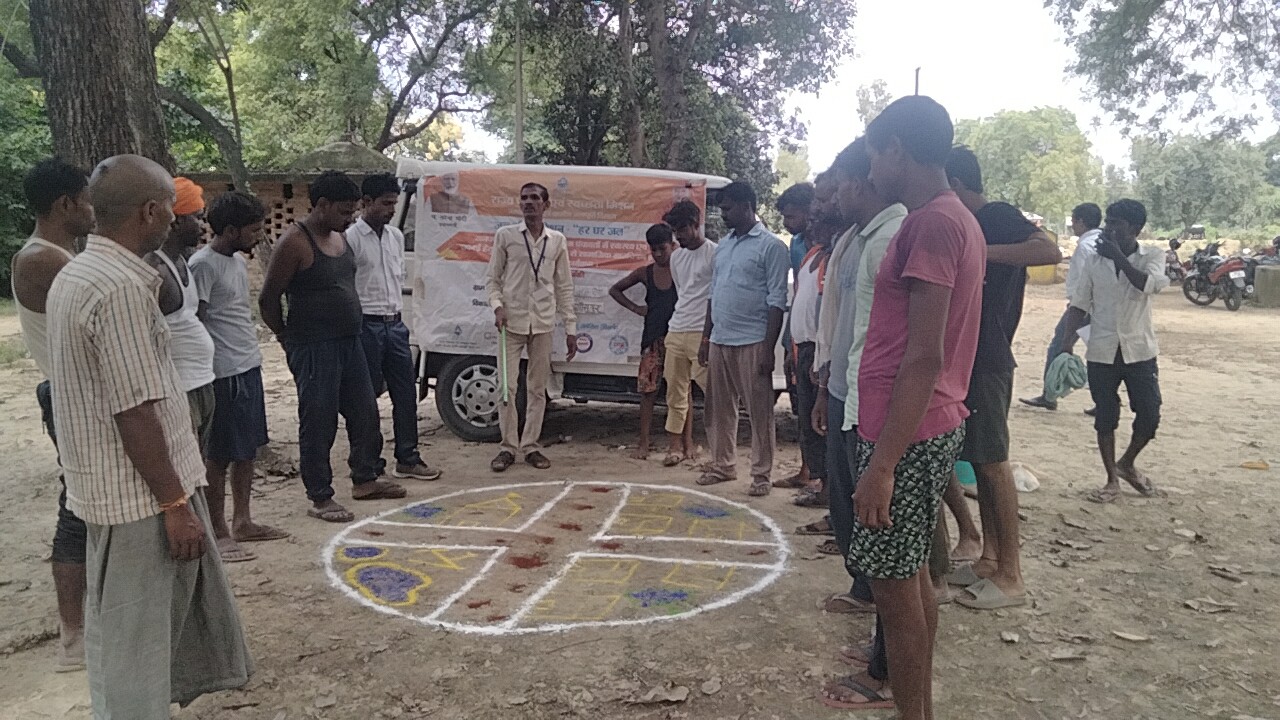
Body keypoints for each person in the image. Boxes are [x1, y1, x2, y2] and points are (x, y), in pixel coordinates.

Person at [46, 154, 251, 716]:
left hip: (116, 491)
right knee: (137, 644)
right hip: (138, 498)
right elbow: (134, 410)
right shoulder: (118, 288)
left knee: (128, 632)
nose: (179, 218)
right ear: (150, 212)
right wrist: (175, 504)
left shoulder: (81, 273)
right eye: (171, 208)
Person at [843, 97, 985, 720]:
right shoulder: (950, 218)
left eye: (874, 154)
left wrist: (882, 466)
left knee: (896, 596)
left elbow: (924, 356)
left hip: (906, 432)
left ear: (896, 149)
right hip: (921, 427)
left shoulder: (931, 223)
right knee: (914, 580)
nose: (872, 168)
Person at [942, 147, 1062, 611]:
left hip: (989, 358)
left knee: (994, 464)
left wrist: (978, 251)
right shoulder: (971, 222)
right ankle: (989, 558)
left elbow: (1047, 249)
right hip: (969, 358)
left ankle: (1011, 574)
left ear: (955, 183)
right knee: (979, 461)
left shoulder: (993, 216)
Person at [260, 170, 405, 523]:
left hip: (350, 341)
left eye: (352, 211)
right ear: (322, 205)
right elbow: (268, 298)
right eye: (344, 211)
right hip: (314, 346)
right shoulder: (295, 242)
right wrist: (286, 338)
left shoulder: (341, 238)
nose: (350, 218)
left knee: (365, 412)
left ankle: (365, 477)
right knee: (319, 420)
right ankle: (320, 496)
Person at [10, 157, 94, 672]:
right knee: (79, 506)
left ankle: (87, 622)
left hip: (75, 394)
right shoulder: (46, 261)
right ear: (66, 204)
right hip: (70, 397)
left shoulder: (59, 255)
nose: (93, 211)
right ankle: (72, 635)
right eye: (87, 201)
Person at [190, 191, 290, 563]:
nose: (258, 235)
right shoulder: (203, 266)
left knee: (247, 449)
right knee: (219, 456)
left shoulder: (234, 261)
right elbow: (197, 321)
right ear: (230, 230)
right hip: (222, 373)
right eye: (253, 229)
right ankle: (218, 530)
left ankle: (243, 521)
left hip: (247, 365)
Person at [1060, 199, 1168, 503]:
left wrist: (1118, 257)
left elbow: (1148, 285)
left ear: (1135, 228)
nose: (1108, 229)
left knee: (1149, 413)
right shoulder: (1095, 261)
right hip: (1102, 349)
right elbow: (1079, 303)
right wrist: (1066, 343)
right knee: (1105, 415)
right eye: (1107, 222)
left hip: (1139, 349)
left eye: (1116, 223)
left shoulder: (1152, 256)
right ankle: (1111, 479)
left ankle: (1127, 463)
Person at [697, 181, 789, 496]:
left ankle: (761, 475)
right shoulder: (723, 246)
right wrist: (706, 337)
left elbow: (777, 300)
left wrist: (768, 349)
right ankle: (723, 465)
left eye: (727, 208)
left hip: (753, 340)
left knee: (759, 412)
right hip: (721, 338)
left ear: (747, 206)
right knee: (718, 409)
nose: (723, 214)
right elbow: (713, 294)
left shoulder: (772, 247)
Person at [348, 173, 441, 481]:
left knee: (405, 394)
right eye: (386, 203)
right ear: (366, 202)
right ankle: (369, 462)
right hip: (366, 325)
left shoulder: (395, 237)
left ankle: (408, 458)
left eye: (394, 203)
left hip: (395, 324)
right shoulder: (350, 239)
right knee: (366, 399)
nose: (391, 210)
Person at [485, 182, 578, 472]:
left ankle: (530, 446)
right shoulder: (506, 236)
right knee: (506, 388)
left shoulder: (557, 241)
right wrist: (497, 306)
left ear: (546, 205)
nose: (529, 202)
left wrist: (571, 328)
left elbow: (564, 286)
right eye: (524, 198)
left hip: (543, 323)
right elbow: (492, 280)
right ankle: (507, 447)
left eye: (535, 198)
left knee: (537, 389)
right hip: (510, 323)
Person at [144, 178, 218, 458]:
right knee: (185, 462)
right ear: (175, 221)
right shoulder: (156, 271)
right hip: (180, 389)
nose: (202, 226)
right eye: (196, 218)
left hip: (201, 381)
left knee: (199, 461)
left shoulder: (181, 262)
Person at [1021, 203, 1102, 410]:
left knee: (1059, 345)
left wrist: (1075, 306)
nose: (1073, 225)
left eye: (1074, 221)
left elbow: (1084, 281)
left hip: (1082, 306)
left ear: (1081, 222)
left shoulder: (1084, 247)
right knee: (1099, 353)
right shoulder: (1103, 242)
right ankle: (1103, 400)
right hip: (1101, 306)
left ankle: (1049, 395)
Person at [609, 224, 679, 460]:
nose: (658, 254)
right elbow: (615, 290)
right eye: (654, 250)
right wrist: (636, 308)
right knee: (648, 392)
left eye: (662, 249)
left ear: (673, 246)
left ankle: (684, 444)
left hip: (678, 337)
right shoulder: (645, 273)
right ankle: (643, 443)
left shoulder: (682, 271)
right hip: (652, 340)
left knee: (681, 392)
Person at [783, 188, 832, 504]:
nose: (811, 226)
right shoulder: (810, 254)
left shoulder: (832, 257)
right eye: (811, 220)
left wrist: (821, 358)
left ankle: (828, 490)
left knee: (822, 422)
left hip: (819, 351)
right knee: (807, 420)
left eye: (817, 220)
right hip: (802, 348)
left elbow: (827, 310)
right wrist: (791, 347)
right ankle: (818, 480)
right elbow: (799, 300)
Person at [661, 200, 716, 466]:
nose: (678, 236)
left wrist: (707, 336)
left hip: (701, 332)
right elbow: (683, 292)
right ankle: (675, 448)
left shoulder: (715, 254)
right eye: (674, 231)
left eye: (682, 230)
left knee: (713, 393)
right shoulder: (676, 257)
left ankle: (720, 453)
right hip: (677, 329)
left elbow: (714, 298)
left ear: (696, 224)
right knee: (675, 392)